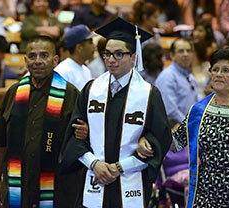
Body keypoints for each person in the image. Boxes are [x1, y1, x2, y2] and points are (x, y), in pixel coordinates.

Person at [139, 48, 229, 207]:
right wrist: (148, 138)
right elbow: (175, 143)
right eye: (215, 69)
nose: (218, 74)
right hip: (209, 195)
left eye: (226, 70)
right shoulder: (199, 110)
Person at [59, 17, 172, 208]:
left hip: (131, 179)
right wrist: (95, 164)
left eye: (119, 54)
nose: (111, 60)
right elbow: (74, 135)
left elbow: (160, 137)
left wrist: (124, 164)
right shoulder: (92, 89)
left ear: (134, 57)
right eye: (107, 54)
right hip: (95, 176)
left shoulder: (148, 94)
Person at [0, 36, 82, 207]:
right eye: (32, 56)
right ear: (25, 60)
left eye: (44, 56)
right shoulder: (14, 93)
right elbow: (0, 143)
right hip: (18, 185)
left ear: (55, 60)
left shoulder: (70, 94)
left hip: (57, 187)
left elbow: (79, 143)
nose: (37, 61)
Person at [155, 38, 198, 126]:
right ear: (172, 55)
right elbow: (170, 110)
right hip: (174, 129)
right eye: (181, 51)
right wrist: (188, 125)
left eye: (188, 51)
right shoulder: (167, 76)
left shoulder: (191, 77)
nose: (186, 54)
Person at [54, 24, 93, 91]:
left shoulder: (86, 70)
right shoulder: (62, 71)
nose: (94, 46)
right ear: (79, 47)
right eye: (90, 43)